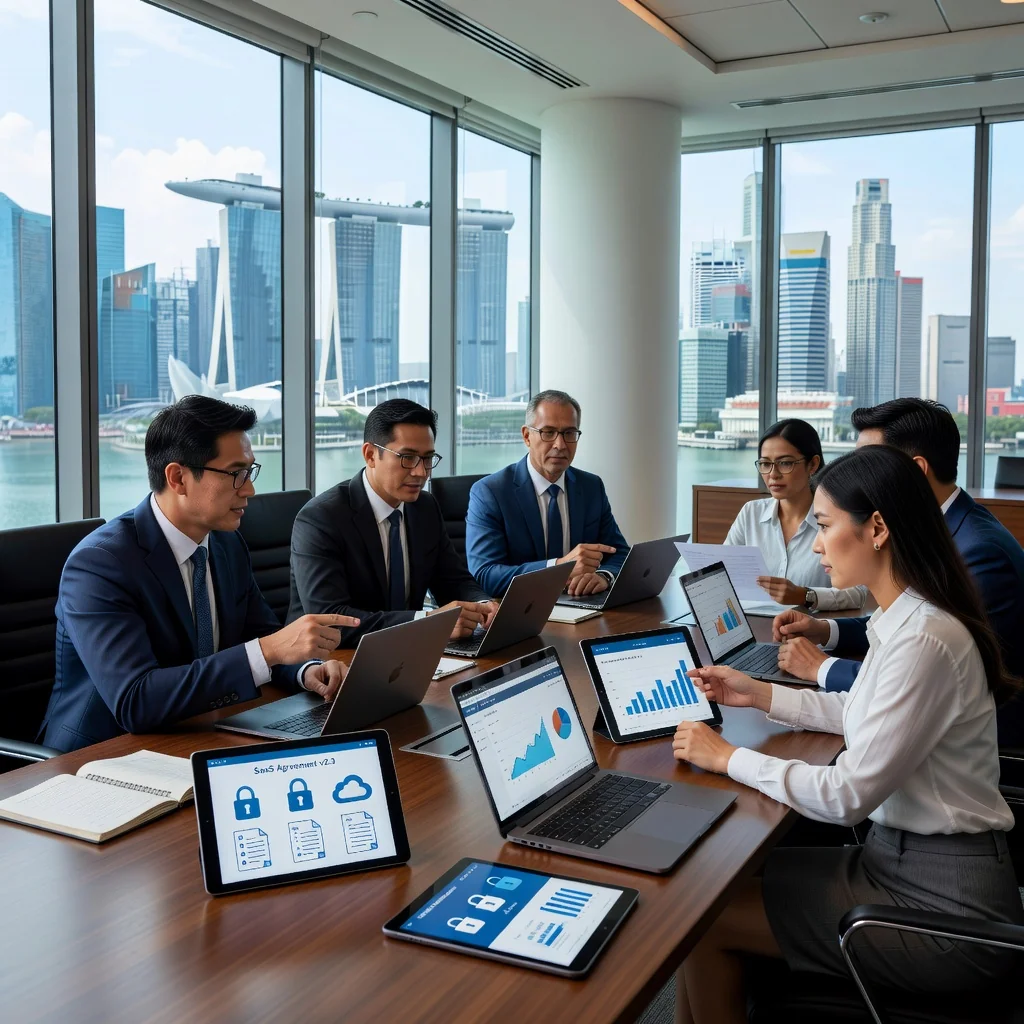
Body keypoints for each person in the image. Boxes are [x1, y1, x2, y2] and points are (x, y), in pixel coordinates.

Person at [671, 445, 1022, 1024]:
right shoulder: (905, 618)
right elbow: (858, 710)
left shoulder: (924, 640)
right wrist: (755, 693)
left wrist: (728, 756)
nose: (815, 544)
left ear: (877, 529)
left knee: (704, 919)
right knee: (712, 894)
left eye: (826, 527)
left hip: (942, 908)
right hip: (903, 866)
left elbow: (844, 797)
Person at [40, 396, 359, 754]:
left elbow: (261, 635)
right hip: (101, 757)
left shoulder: (225, 543)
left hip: (198, 732)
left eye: (250, 472)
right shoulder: (100, 565)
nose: (250, 489)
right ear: (177, 478)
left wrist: (305, 671)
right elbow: (135, 700)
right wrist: (269, 651)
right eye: (236, 474)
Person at [773, 398, 1024, 748]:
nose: (854, 477)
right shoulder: (937, 532)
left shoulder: (979, 553)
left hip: (981, 746)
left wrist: (822, 669)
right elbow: (904, 625)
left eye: (869, 462)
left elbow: (922, 667)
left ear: (914, 471)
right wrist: (826, 630)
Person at [287, 398, 494, 646]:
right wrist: (427, 622)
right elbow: (331, 619)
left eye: (428, 458)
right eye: (407, 457)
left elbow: (453, 580)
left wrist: (483, 606)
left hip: (409, 653)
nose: (421, 472)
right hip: (331, 662)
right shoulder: (321, 518)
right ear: (371, 455)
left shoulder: (424, 507)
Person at [465, 389, 629, 598]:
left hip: (582, 606)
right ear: (527, 436)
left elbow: (620, 553)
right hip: (521, 611)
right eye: (548, 432)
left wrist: (603, 576)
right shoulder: (490, 492)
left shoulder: (591, 486)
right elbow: (486, 575)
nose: (560, 445)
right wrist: (560, 567)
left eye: (569, 433)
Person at [725, 418, 866, 611]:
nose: (773, 474)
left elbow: (859, 593)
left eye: (785, 463)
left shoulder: (837, 517)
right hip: (754, 629)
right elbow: (721, 577)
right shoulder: (750, 513)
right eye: (765, 464)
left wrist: (805, 595)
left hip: (812, 632)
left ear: (813, 464)